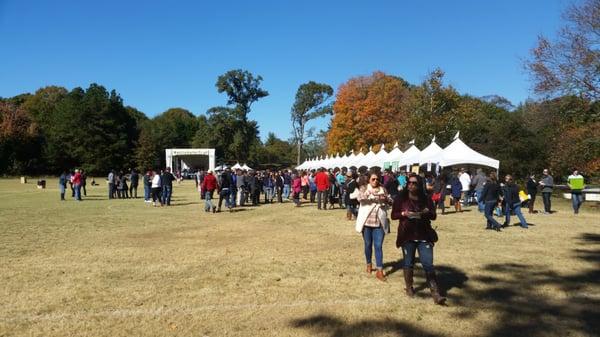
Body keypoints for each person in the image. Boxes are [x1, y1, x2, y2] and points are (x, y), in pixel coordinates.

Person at [391, 173, 445, 305]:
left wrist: (425, 212)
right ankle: (409, 287)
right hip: (407, 235)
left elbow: (433, 216)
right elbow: (393, 215)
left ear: (419, 185)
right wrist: (404, 213)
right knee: (408, 263)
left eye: (414, 183)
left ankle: (435, 292)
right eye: (409, 182)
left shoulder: (426, 199)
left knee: (428, 264)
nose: (411, 185)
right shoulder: (401, 198)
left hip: (424, 235)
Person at [355, 172, 392, 282]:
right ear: (369, 180)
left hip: (379, 223)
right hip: (367, 223)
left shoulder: (383, 189)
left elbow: (391, 202)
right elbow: (359, 198)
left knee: (378, 245)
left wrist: (385, 199)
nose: (375, 181)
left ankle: (380, 271)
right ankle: (369, 263)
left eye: (377, 179)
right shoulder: (364, 188)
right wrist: (368, 193)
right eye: (373, 179)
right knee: (367, 245)